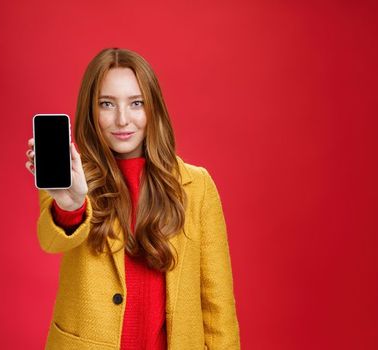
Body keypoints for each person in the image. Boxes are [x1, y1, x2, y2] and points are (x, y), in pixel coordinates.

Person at [25, 47, 240, 349]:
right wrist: (71, 205)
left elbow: (218, 308)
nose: (122, 119)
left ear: (154, 108)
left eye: (136, 103)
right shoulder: (73, 178)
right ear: (91, 110)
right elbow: (52, 240)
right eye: (107, 104)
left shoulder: (197, 186)